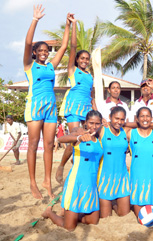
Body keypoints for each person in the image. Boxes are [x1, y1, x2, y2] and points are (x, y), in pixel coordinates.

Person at [23, 5, 72, 199]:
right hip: (35, 107)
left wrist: (68, 24)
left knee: (50, 144)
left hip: (51, 108)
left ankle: (47, 182)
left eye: (46, 50)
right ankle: (33, 183)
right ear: (35, 52)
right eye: (40, 50)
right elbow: (27, 43)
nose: (44, 53)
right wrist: (35, 20)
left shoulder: (51, 66)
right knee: (34, 145)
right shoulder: (29, 65)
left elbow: (64, 47)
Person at [42, 110, 103, 231]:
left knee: (93, 221)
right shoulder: (79, 133)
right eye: (91, 123)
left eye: (97, 123)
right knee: (69, 227)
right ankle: (49, 213)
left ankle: (73, 215)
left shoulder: (99, 139)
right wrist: (79, 137)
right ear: (85, 123)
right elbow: (62, 139)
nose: (94, 126)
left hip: (91, 184)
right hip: (76, 183)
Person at [56, 15, 96, 185]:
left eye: (87, 59)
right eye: (82, 58)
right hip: (73, 109)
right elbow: (72, 46)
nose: (85, 61)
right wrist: (73, 26)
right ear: (77, 60)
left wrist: (96, 112)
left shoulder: (91, 76)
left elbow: (92, 96)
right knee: (74, 138)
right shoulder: (73, 71)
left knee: (87, 139)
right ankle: (61, 165)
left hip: (87, 111)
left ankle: (78, 167)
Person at [96, 106, 130, 218]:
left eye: (122, 119)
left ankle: (114, 206)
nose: (119, 122)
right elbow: (86, 126)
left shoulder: (125, 132)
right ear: (110, 117)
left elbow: (141, 125)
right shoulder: (102, 130)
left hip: (122, 178)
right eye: (116, 118)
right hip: (105, 178)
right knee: (106, 217)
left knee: (124, 214)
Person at [128, 107, 153, 217]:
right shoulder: (130, 133)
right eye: (142, 116)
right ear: (137, 118)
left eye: (147, 116)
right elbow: (117, 126)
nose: (145, 118)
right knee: (141, 219)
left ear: (152, 118)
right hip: (137, 175)